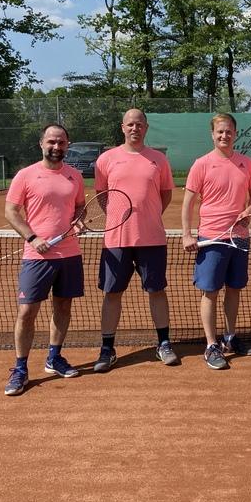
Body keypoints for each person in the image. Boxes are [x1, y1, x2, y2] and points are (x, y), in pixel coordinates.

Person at [3, 124, 87, 396]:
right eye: (51, 142)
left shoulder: (74, 176)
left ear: (67, 144)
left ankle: (54, 357)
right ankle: (20, 368)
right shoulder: (26, 175)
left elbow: (78, 207)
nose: (56, 147)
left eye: (61, 142)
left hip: (70, 254)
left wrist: (79, 221)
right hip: (36, 257)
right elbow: (12, 212)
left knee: (63, 308)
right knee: (27, 312)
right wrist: (32, 238)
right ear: (41, 144)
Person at [92, 108, 178, 372]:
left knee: (156, 291)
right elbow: (102, 195)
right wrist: (119, 218)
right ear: (122, 127)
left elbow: (165, 195)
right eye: (130, 124)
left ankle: (163, 344)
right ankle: (107, 349)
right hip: (116, 239)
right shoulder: (105, 160)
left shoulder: (159, 160)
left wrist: (148, 217)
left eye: (139, 124)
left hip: (151, 239)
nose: (135, 128)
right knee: (112, 293)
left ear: (146, 128)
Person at [181, 113, 251, 370]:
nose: (224, 136)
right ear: (212, 134)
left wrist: (248, 211)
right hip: (211, 238)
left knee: (234, 289)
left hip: (238, 238)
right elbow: (188, 203)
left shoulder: (246, 163)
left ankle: (229, 337)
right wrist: (186, 234)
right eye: (219, 132)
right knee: (211, 291)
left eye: (228, 132)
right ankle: (211, 345)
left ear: (235, 134)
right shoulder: (201, 164)